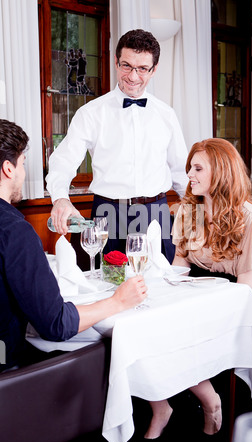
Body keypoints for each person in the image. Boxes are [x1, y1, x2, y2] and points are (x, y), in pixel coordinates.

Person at [143, 138, 252, 439]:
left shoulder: (249, 217)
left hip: (232, 303)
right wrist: (162, 291)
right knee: (146, 321)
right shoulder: (189, 211)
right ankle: (169, 404)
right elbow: (178, 267)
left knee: (170, 332)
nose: (189, 174)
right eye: (190, 167)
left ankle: (207, 401)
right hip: (192, 294)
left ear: (223, 172)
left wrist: (198, 306)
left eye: (198, 168)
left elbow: (244, 292)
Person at [0, 119, 147, 373]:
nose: (24, 173)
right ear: (8, 169)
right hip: (9, 372)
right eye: (23, 164)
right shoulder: (14, 231)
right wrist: (118, 301)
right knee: (107, 349)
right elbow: (56, 324)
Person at [46, 29, 188, 263]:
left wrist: (202, 210)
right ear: (115, 61)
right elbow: (63, 162)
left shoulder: (166, 115)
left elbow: (180, 172)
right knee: (108, 287)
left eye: (142, 68)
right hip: (107, 214)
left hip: (156, 215)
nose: (133, 76)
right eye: (126, 66)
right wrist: (60, 197)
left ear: (154, 70)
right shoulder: (90, 113)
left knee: (162, 289)